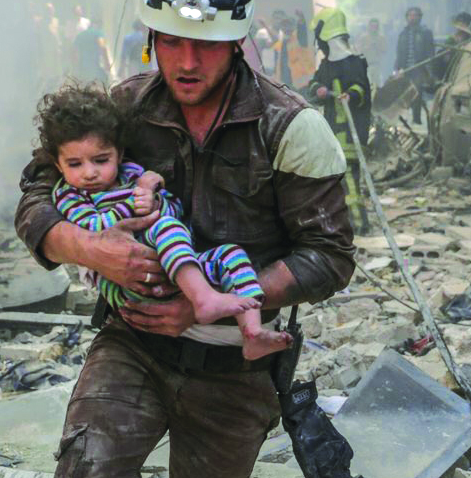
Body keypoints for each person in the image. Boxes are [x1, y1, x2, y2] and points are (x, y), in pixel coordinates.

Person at [15, 0, 354, 478]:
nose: (186, 62)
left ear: (237, 38)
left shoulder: (293, 129)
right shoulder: (123, 110)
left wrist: (220, 307)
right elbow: (38, 188)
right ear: (150, 34)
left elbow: (329, 254)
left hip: (235, 371)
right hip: (131, 347)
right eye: (170, 39)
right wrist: (89, 247)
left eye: (204, 44)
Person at [38, 84, 294, 360]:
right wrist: (134, 206)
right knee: (164, 227)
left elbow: (175, 208)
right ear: (58, 163)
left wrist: (157, 201)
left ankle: (252, 333)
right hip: (129, 284)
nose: (89, 173)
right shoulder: (69, 193)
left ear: (119, 153)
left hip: (176, 264)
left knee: (231, 254)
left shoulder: (131, 175)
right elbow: (93, 228)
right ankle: (204, 298)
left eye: (101, 160)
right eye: (75, 164)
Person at [309, 7, 372, 233]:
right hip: (332, 132)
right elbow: (312, 85)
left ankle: (359, 225)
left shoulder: (354, 62)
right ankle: (341, 224)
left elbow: (363, 88)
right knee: (335, 180)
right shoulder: (327, 65)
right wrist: (319, 91)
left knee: (352, 182)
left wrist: (351, 95)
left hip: (351, 131)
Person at [394, 6, 434, 124]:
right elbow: (399, 52)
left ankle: (416, 119)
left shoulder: (425, 33)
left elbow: (430, 51)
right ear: (406, 17)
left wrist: (429, 69)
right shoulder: (403, 34)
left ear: (419, 17)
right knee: (405, 93)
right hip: (405, 69)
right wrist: (397, 68)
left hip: (419, 68)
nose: (412, 17)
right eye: (410, 15)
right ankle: (404, 118)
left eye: (415, 15)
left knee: (416, 92)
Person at [434, 11, 471, 82]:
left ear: (467, 25)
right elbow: (445, 55)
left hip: (466, 66)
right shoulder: (451, 39)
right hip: (452, 68)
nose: (461, 25)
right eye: (459, 23)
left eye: (464, 23)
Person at [74, 17, 113, 84]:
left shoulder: (80, 35)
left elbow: (74, 51)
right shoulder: (99, 33)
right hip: (95, 67)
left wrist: (75, 67)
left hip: (82, 68)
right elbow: (103, 47)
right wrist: (107, 63)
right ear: (98, 24)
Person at [357, 18, 386, 87]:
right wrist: (367, 47)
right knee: (368, 85)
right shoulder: (363, 37)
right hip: (366, 65)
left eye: (375, 26)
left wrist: (377, 47)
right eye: (372, 26)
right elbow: (358, 50)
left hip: (377, 65)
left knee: (377, 85)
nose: (374, 28)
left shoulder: (381, 37)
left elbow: (384, 50)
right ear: (369, 26)